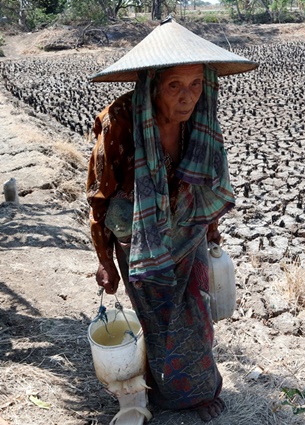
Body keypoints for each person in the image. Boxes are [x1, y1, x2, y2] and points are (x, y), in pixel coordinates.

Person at [86, 17, 257, 422]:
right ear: (151, 85)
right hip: (138, 238)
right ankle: (160, 392)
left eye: (196, 84)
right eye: (174, 86)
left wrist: (211, 229)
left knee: (195, 313)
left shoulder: (200, 121)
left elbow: (204, 182)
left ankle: (196, 394)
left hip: (188, 230)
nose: (188, 97)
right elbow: (97, 199)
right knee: (157, 318)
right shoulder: (120, 123)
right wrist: (105, 261)